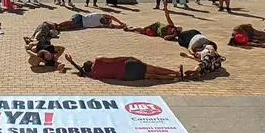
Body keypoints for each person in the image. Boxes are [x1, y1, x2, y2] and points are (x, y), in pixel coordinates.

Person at [65, 54, 195, 81]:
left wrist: (72, 63)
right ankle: (176, 73)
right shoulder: (98, 60)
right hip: (127, 66)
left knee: (152, 76)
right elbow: (115, 59)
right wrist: (130, 57)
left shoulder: (93, 75)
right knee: (153, 68)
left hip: (126, 77)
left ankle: (174, 78)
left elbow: (81, 71)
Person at [57, 12, 127, 31]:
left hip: (82, 25)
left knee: (69, 27)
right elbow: (112, 17)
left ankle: (58, 28)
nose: (105, 21)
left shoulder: (102, 25)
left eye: (106, 22)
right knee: (71, 22)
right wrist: (120, 22)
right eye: (106, 19)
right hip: (80, 17)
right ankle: (57, 25)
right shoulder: (101, 15)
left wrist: (121, 26)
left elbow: (113, 26)